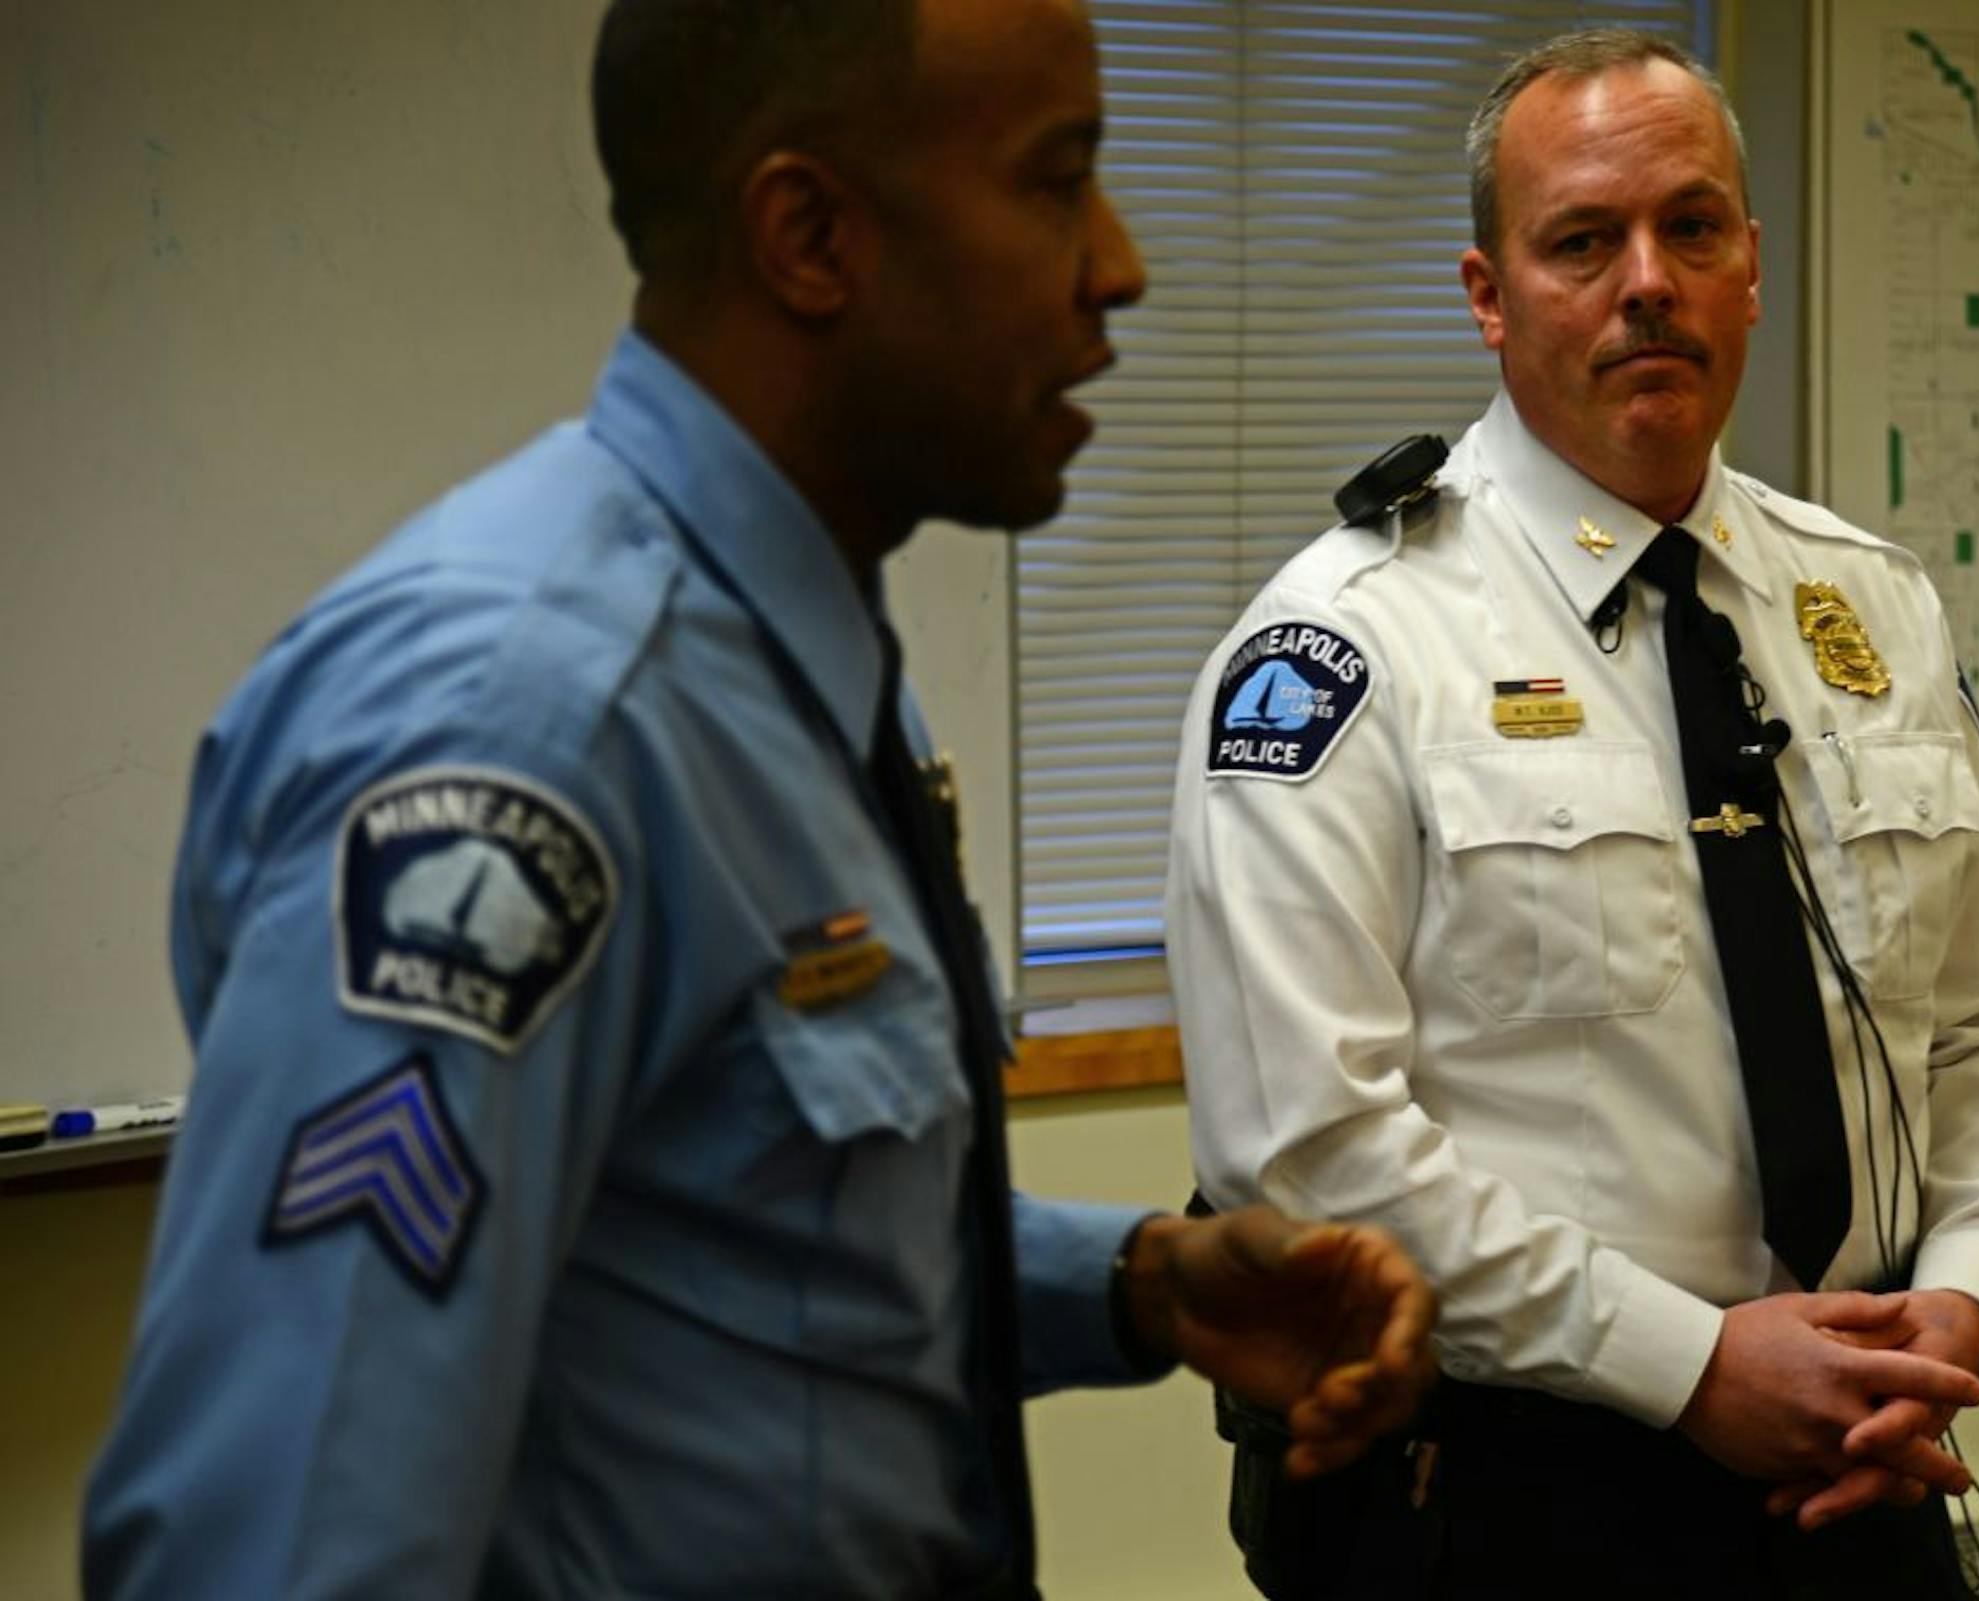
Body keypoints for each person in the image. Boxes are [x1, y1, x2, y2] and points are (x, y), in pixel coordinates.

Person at [79, 2, 1440, 1596]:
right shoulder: (521, 728)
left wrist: (1141, 1286)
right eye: (1057, 179)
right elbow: (275, 1543)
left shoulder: (794, 653)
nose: (1118, 263)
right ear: (810, 234)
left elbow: (731, 1233)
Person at [1166, 27, 1979, 1599]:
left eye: (1693, 227)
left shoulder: (1871, 604)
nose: (1645, 280)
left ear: (1748, 268)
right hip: (1502, 1500)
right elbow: (1302, 1153)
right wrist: (1684, 1363)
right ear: (1489, 293)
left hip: (1865, 1469)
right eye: (1583, 241)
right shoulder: (1344, 648)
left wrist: (1973, 1292)